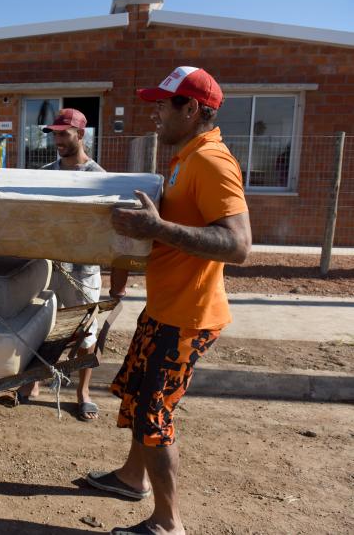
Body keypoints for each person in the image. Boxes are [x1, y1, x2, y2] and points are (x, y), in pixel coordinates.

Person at [88, 67, 252, 535]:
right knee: (140, 396)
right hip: (167, 306)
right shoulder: (186, 156)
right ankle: (130, 478)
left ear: (193, 109)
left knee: (153, 410)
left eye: (164, 104)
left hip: (188, 315)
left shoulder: (212, 162)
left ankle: (168, 523)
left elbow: (238, 245)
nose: (155, 112)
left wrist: (157, 229)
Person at [20, 108, 106, 421]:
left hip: (83, 272)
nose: (57, 139)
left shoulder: (100, 178)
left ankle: (83, 392)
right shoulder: (46, 173)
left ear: (81, 135)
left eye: (64, 133)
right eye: (54, 134)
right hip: (50, 268)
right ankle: (34, 382)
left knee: (86, 334)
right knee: (43, 325)